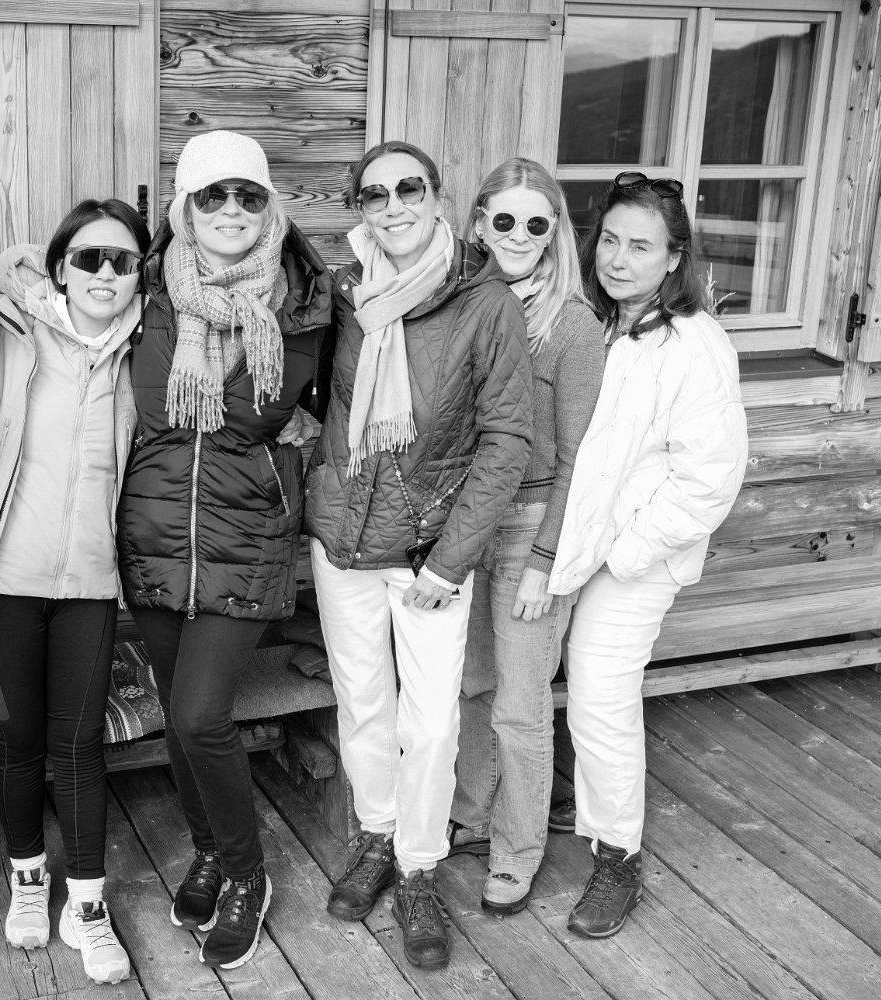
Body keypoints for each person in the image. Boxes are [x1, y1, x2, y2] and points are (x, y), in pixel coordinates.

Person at [303, 140, 534, 970]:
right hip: (343, 540)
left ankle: (419, 866)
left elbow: (507, 440)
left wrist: (450, 559)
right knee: (363, 703)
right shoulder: (345, 293)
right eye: (375, 194)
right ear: (359, 209)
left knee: (430, 724)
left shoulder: (484, 301)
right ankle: (376, 836)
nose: (393, 205)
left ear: (438, 197)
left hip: (429, 551)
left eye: (409, 188)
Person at [116, 129, 333, 970]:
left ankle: (246, 873)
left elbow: (369, 389)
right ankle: (207, 849)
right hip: (156, 536)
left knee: (201, 714)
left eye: (248, 195)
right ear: (185, 208)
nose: (231, 210)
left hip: (247, 539)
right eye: (214, 195)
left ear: (269, 205)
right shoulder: (144, 290)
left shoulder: (307, 303)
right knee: (180, 715)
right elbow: (48, 302)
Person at [548, 171, 748, 938]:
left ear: (674, 258)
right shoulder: (597, 321)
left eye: (640, 246)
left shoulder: (693, 344)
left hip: (636, 555)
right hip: (577, 541)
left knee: (600, 692)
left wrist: (624, 552)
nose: (618, 258)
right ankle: (560, 798)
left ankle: (617, 855)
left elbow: (709, 481)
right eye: (610, 240)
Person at [0, 199, 150, 985]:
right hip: (4, 580)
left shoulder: (148, 345)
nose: (105, 273)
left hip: (91, 586)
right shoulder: (6, 329)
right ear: (60, 267)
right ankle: (29, 876)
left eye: (122, 261)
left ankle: (89, 904)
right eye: (88, 258)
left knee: (79, 745)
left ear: (140, 273)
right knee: (15, 738)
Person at [448, 158, 605, 914]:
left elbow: (580, 458)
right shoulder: (461, 304)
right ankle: (471, 815)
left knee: (519, 702)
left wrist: (547, 559)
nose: (518, 234)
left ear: (554, 232)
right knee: (473, 685)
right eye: (503, 219)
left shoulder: (572, 326)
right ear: (480, 224)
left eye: (535, 222)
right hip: (466, 523)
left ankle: (517, 849)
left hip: (532, 526)